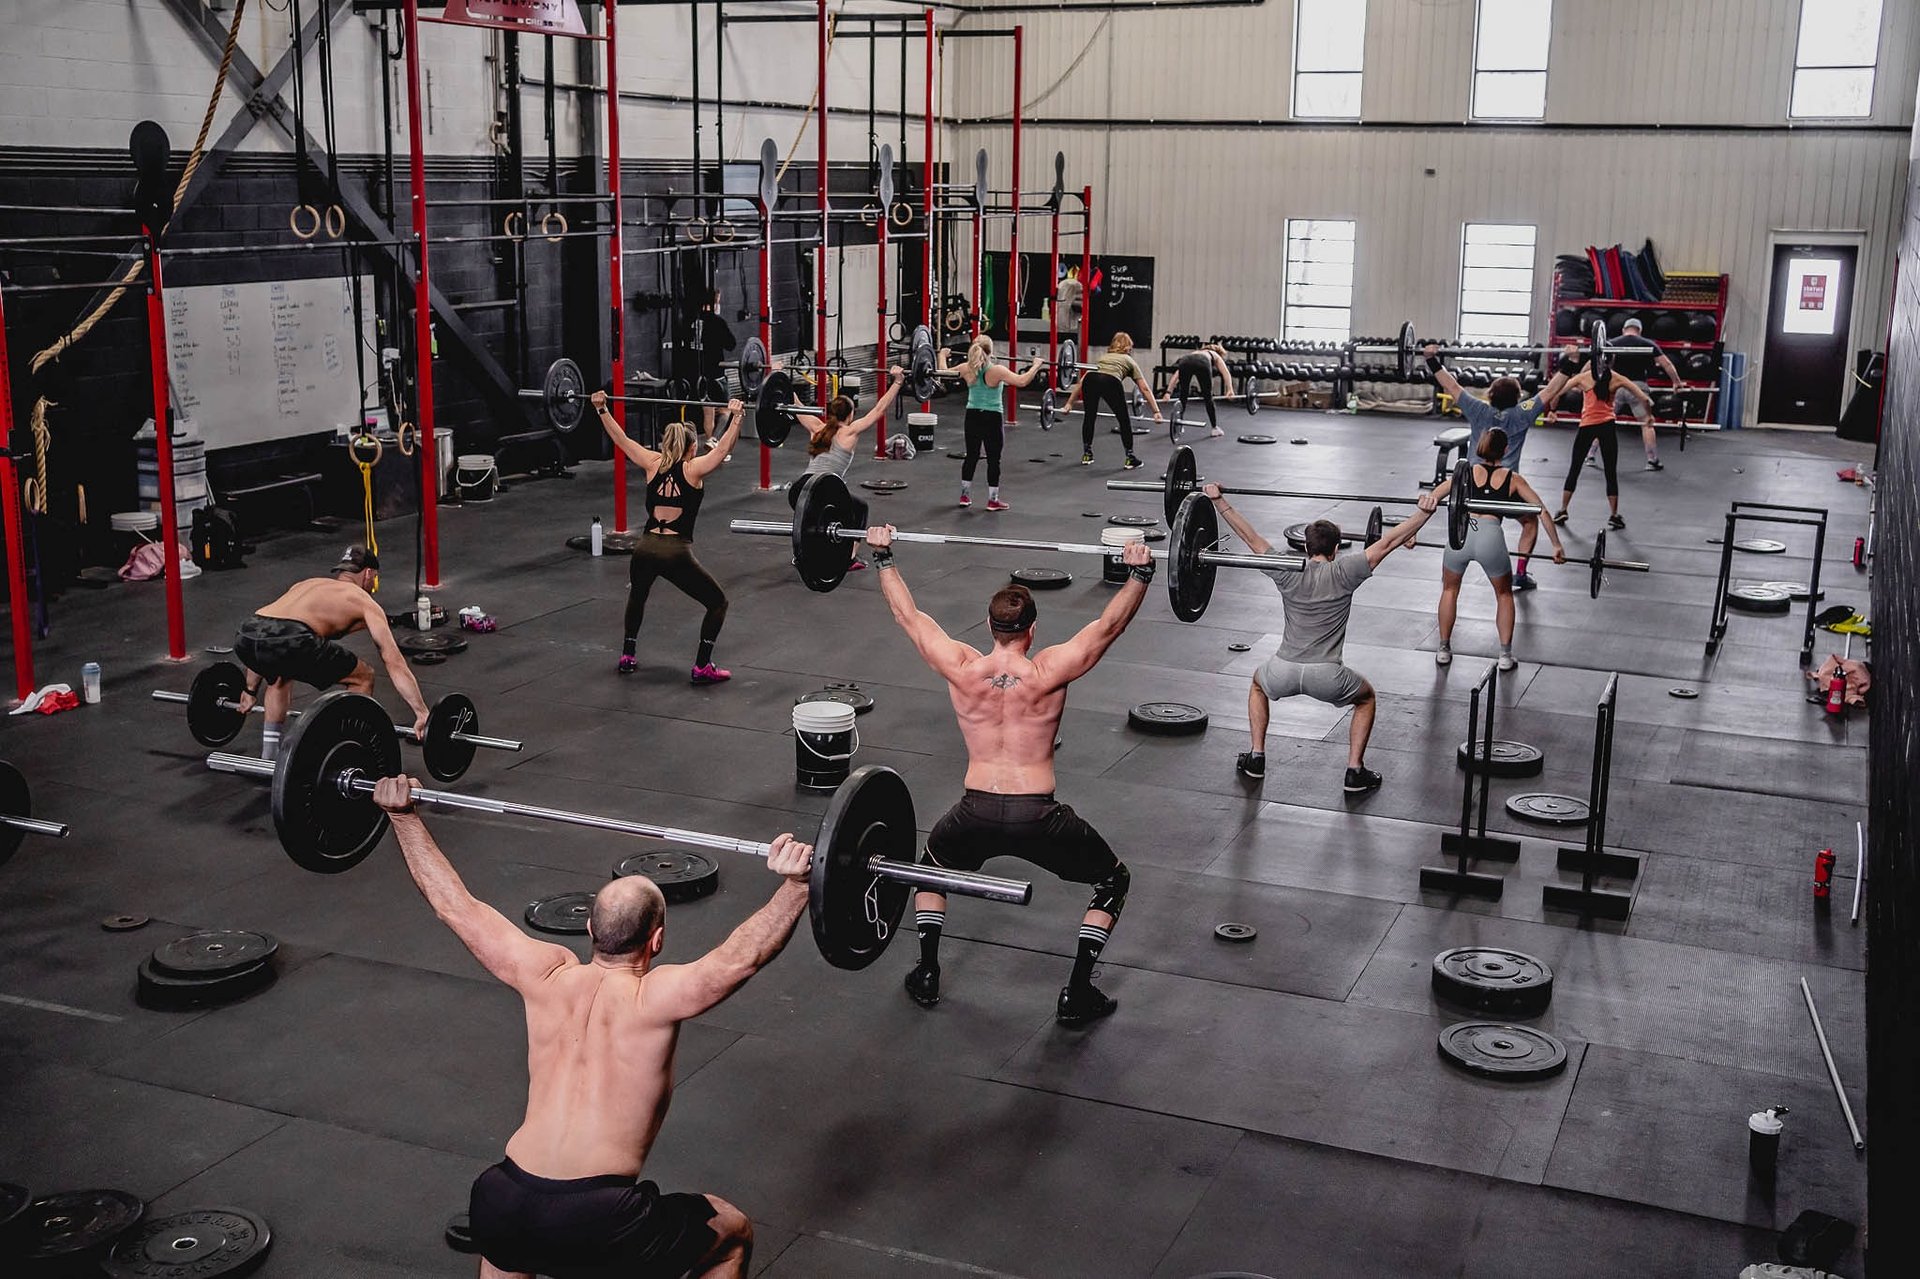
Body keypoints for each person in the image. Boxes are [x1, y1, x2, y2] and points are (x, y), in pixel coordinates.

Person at [371, 774, 814, 1279]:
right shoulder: (654, 997)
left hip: (500, 1196)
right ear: (658, 940)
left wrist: (402, 817)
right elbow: (741, 958)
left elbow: (454, 905)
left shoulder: (545, 973)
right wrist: (797, 885)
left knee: (508, 1248)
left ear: (587, 929)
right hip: (599, 1218)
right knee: (732, 1232)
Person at [866, 524, 1153, 1026]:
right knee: (1112, 881)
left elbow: (908, 618)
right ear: (1032, 630)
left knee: (930, 870)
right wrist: (1141, 575)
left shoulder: (962, 667)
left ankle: (928, 971)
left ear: (988, 626)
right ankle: (1077, 992)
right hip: (1038, 815)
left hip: (974, 809)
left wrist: (884, 557)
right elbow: (1108, 627)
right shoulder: (1049, 671)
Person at [1203, 487, 1434, 795]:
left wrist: (1220, 501)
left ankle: (1256, 757)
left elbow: (1250, 538)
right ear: (1336, 548)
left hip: (1283, 668)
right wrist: (1424, 513)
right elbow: (1389, 541)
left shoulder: (1287, 569)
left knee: (1258, 685)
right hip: (1328, 675)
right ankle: (1355, 771)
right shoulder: (1346, 570)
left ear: (1304, 546)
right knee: (1366, 699)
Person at [593, 391, 743, 683]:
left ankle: (627, 655)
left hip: (645, 547)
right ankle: (702, 666)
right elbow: (722, 450)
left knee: (638, 595)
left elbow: (621, 440)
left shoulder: (653, 463)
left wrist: (601, 410)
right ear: (690, 447)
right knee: (717, 603)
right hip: (675, 552)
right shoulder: (693, 469)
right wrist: (737, 418)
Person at [231, 545, 430, 762]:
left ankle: (269, 755)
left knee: (279, 671)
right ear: (369, 574)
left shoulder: (306, 584)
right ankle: (350, 749)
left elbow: (266, 631)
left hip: (246, 633)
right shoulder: (364, 602)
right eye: (374, 579)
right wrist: (421, 712)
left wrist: (249, 690)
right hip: (292, 639)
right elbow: (393, 661)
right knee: (363, 676)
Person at [1422, 343, 1572, 591]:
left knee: (1466, 526)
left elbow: (1451, 385)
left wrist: (1431, 360)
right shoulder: (1523, 412)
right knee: (1530, 522)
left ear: (1490, 395)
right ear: (1517, 397)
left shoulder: (1479, 409)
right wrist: (1571, 363)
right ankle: (1520, 574)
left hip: (1471, 482)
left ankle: (1451, 574)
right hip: (1507, 487)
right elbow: (1550, 391)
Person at [1418, 428, 1566, 672]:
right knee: (1504, 595)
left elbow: (1432, 499)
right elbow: (1541, 511)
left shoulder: (1464, 472)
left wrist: (1412, 533)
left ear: (1481, 446)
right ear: (1505, 450)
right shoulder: (1513, 478)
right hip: (1491, 537)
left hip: (1460, 536)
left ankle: (1443, 649)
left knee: (1449, 589)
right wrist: (1556, 545)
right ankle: (1505, 656)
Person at [939, 336, 1044, 509]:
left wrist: (942, 354)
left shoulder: (966, 368)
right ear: (991, 351)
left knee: (971, 456)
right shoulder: (997, 371)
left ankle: (964, 497)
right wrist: (1036, 365)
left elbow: (942, 373)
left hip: (972, 416)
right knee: (994, 460)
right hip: (992, 418)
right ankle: (992, 500)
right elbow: (1022, 381)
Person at [1556, 360, 1653, 529]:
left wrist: (1551, 410)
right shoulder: (1617, 378)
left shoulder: (1582, 378)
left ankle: (1563, 510)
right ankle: (1614, 515)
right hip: (1607, 427)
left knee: (1575, 468)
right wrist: (1649, 416)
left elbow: (1556, 392)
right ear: (1613, 361)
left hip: (1586, 427)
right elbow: (1644, 398)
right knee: (1610, 472)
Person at [1063, 332, 1161, 470]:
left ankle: (1087, 454)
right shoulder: (1129, 360)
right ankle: (1130, 457)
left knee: (1089, 417)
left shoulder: (1104, 357)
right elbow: (1144, 388)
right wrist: (1156, 411)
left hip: (1092, 379)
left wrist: (1069, 403)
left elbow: (1082, 381)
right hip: (1111, 382)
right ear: (1128, 347)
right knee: (1123, 420)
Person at [1607, 317, 1683, 471]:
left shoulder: (1612, 343)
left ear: (1624, 329)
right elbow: (1666, 364)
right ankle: (1652, 460)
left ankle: (1590, 455)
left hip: (1616, 386)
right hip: (1638, 388)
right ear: (1639, 331)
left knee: (1602, 421)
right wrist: (1677, 382)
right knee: (1646, 423)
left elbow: (1594, 364)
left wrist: (1581, 380)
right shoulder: (1647, 343)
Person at [683, 288, 737, 447]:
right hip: (716, 375)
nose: (718, 304)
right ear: (712, 303)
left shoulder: (691, 321)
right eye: (717, 301)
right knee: (727, 411)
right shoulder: (717, 321)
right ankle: (715, 441)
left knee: (708, 413)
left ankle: (711, 447)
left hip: (698, 375)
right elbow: (731, 344)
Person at [1166, 343, 1234, 439]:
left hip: (1184, 361)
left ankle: (1179, 425)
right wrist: (1230, 389)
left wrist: (1168, 392)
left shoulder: (1194, 353)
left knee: (1183, 396)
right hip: (1202, 362)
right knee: (1208, 396)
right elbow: (1225, 372)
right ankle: (1214, 428)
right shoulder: (1214, 355)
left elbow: (1176, 375)